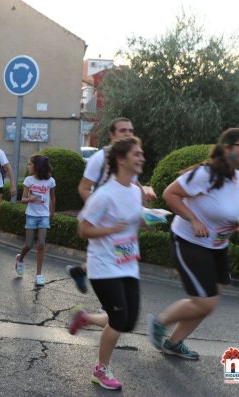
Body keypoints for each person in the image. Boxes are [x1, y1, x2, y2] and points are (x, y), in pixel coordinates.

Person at [148, 128, 239, 360]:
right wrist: (193, 219)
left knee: (210, 302)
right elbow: (170, 194)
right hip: (189, 240)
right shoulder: (206, 173)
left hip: (218, 245)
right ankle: (160, 322)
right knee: (204, 302)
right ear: (227, 149)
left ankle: (174, 343)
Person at [68, 136, 145, 391]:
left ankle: (84, 317)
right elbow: (83, 229)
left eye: (141, 153)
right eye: (136, 154)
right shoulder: (104, 194)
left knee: (128, 321)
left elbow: (135, 224)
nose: (141, 157)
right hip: (103, 265)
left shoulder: (136, 190)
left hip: (128, 263)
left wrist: (149, 217)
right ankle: (101, 369)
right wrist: (111, 229)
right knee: (120, 317)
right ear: (121, 160)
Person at [69, 117, 156, 293]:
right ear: (112, 135)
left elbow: (132, 183)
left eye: (130, 131)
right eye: (123, 131)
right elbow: (83, 188)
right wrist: (99, 214)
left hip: (122, 229)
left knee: (120, 259)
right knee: (109, 265)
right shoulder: (99, 159)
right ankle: (106, 310)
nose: (128, 134)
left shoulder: (130, 159)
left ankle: (80, 271)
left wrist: (143, 194)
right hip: (104, 221)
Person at [14, 154, 56, 286]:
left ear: (38, 167)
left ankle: (39, 274)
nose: (28, 166)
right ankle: (20, 259)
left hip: (44, 216)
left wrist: (52, 213)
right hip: (31, 215)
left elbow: (53, 198)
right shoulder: (28, 180)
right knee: (29, 244)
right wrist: (29, 199)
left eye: (30, 164)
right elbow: (22, 199)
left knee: (41, 244)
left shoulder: (50, 181)